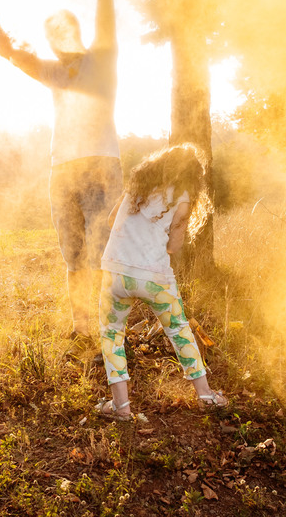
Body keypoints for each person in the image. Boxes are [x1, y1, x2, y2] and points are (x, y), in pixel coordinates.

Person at [0, 0, 122, 342]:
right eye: (50, 34)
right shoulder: (51, 72)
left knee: (102, 254)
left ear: (76, 32)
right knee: (75, 255)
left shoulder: (103, 59)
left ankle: (107, 330)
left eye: (62, 30)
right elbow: (7, 50)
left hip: (100, 166)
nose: (56, 39)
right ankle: (82, 329)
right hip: (62, 171)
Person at [93, 144, 228, 420]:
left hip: (115, 272)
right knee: (179, 331)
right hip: (154, 278)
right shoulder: (183, 197)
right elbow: (173, 246)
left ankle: (120, 407)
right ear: (192, 175)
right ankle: (206, 397)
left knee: (112, 334)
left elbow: (111, 221)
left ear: (158, 165)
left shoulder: (138, 186)